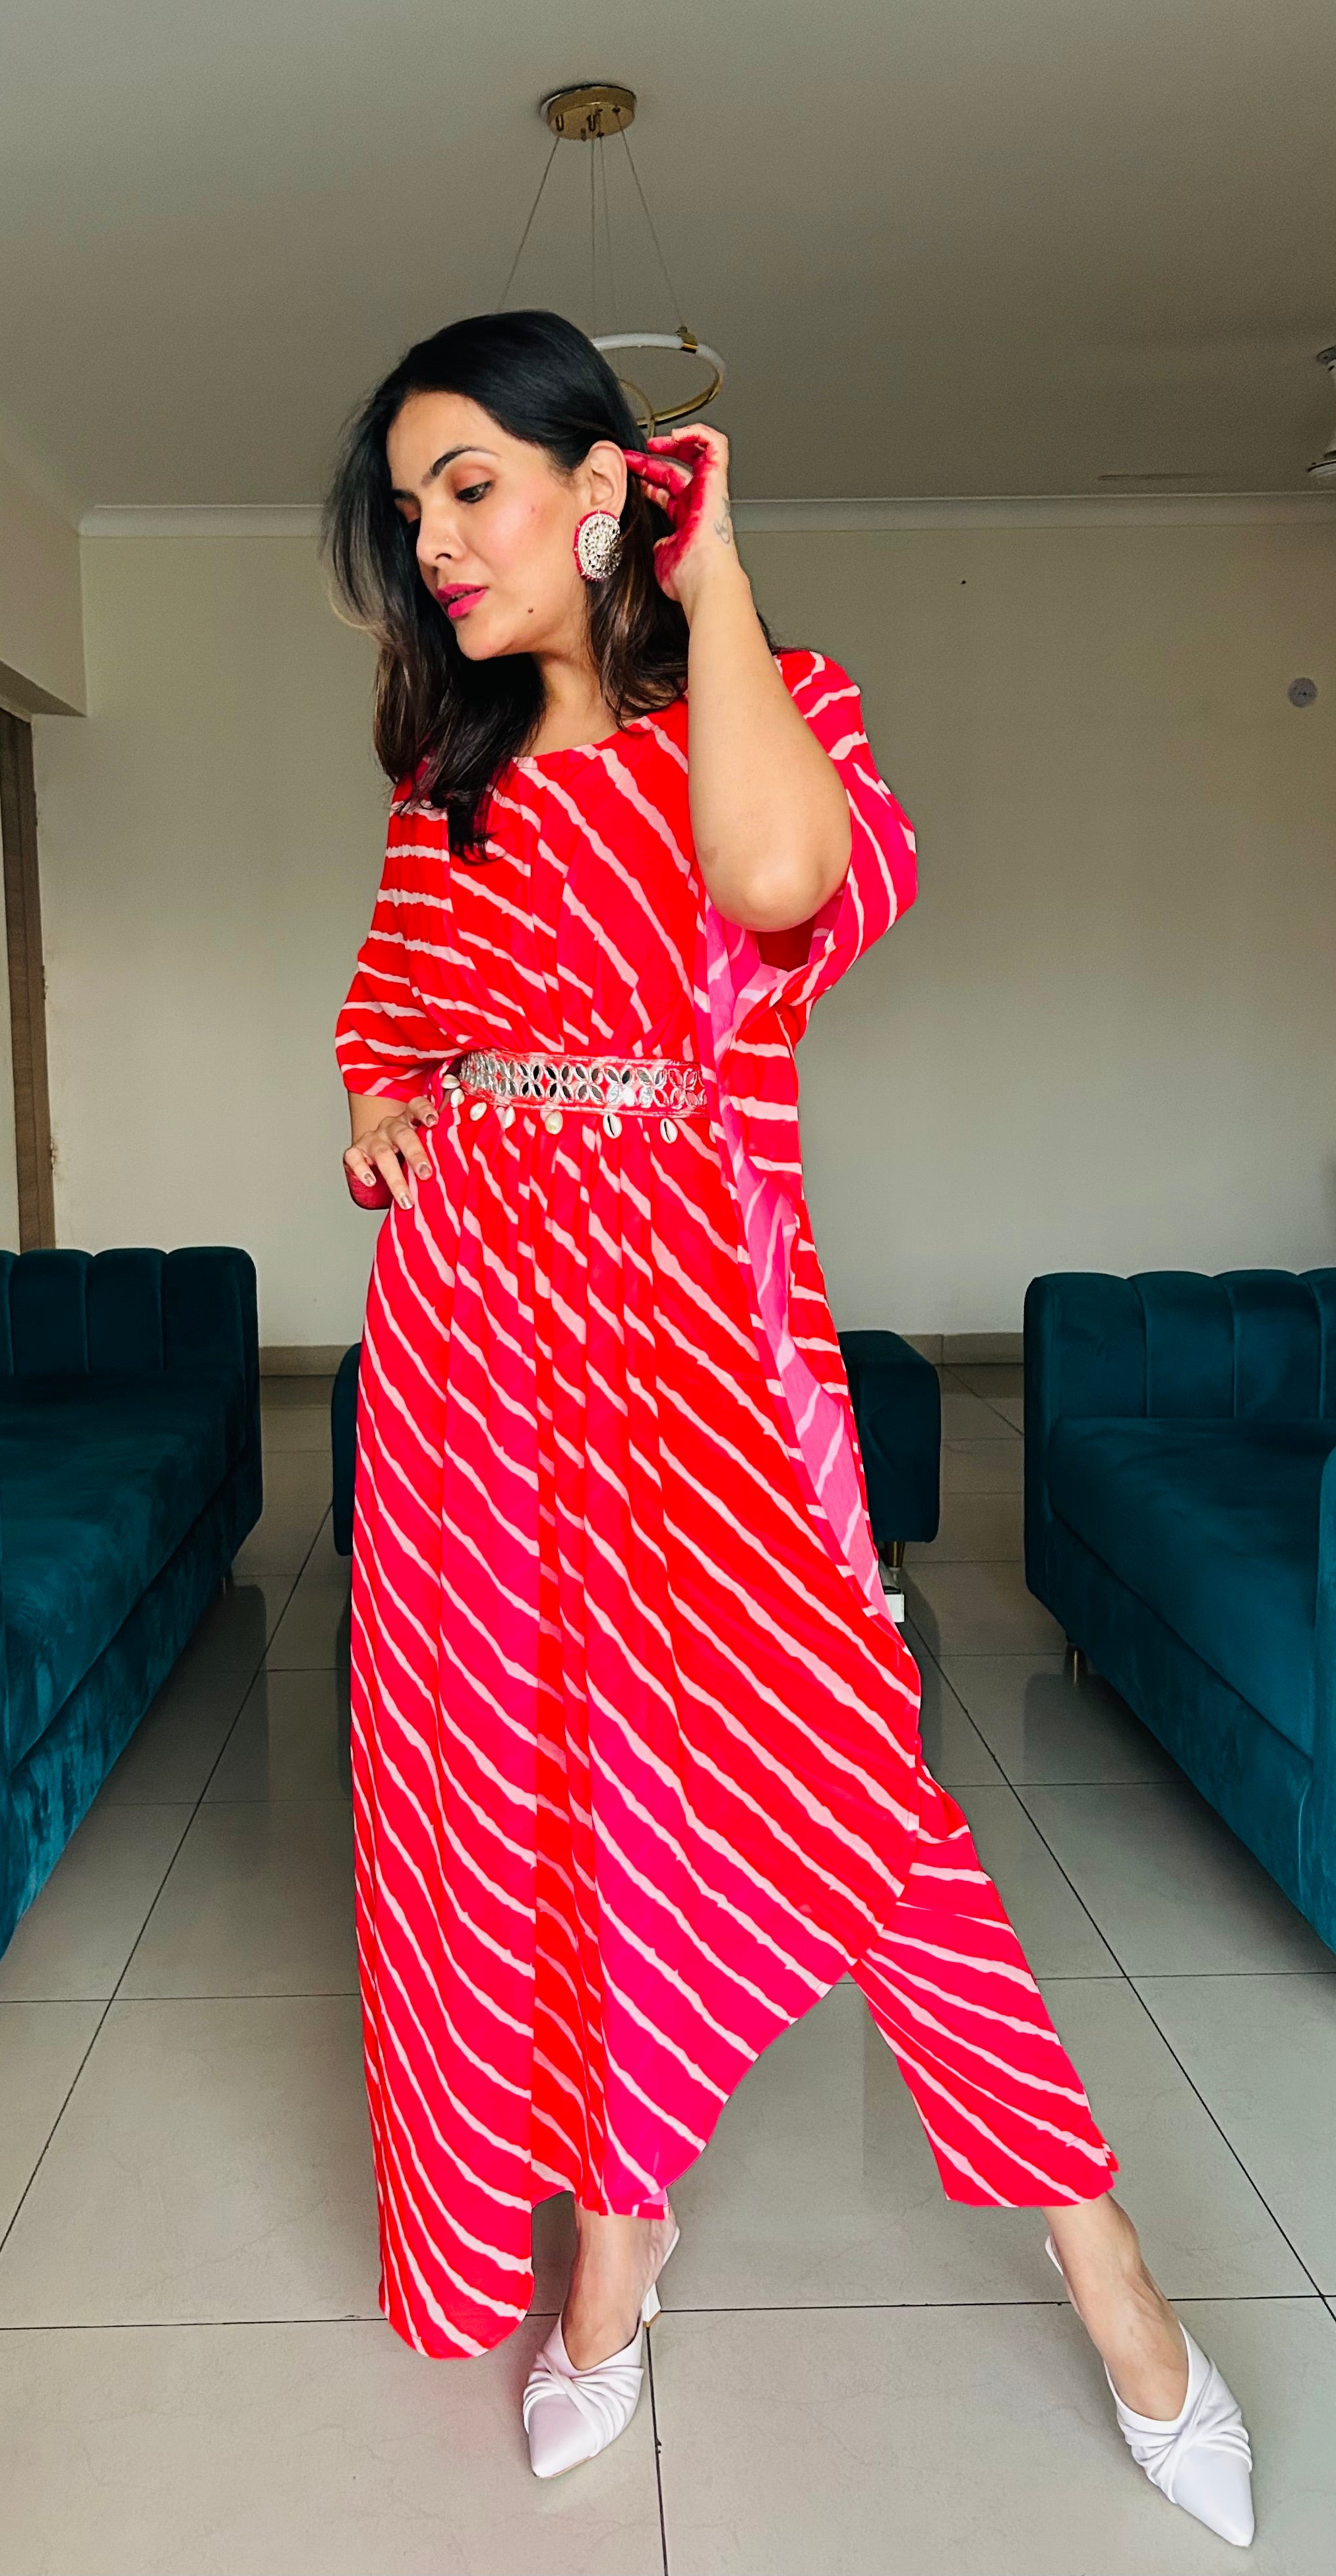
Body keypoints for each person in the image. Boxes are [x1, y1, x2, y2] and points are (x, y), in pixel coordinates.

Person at [326, 309, 1253, 2544]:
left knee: (854, 1795)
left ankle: (1110, 2271)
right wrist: (378, 1109)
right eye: (410, 505)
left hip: (694, 1325)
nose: (432, 539)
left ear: (599, 484)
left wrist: (715, 568)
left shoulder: (770, 699)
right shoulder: (445, 787)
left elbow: (770, 884)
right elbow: (387, 1022)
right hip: (468, 1345)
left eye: (469, 484)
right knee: (549, 1795)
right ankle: (611, 2252)